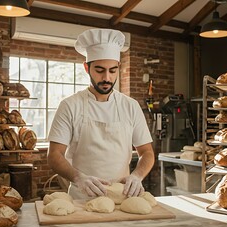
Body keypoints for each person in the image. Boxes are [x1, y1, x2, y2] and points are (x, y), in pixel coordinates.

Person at [47, 28, 155, 200]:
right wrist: (78, 178)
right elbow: (54, 155)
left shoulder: (131, 106)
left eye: (113, 71)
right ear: (86, 68)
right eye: (99, 70)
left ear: (119, 67)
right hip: (81, 197)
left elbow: (147, 152)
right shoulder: (70, 105)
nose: (107, 78)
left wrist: (137, 176)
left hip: (122, 198)